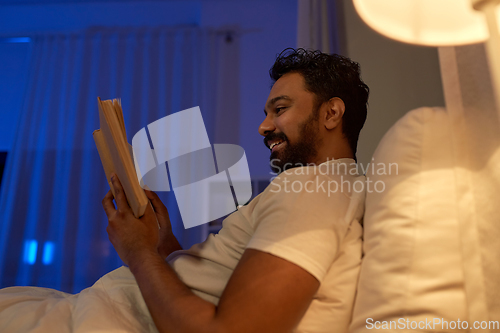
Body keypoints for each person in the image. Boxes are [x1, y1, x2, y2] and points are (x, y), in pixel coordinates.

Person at [102, 48, 369, 333]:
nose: (263, 127)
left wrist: (138, 252)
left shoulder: (313, 189)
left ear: (331, 113)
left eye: (279, 109)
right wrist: (163, 245)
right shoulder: (324, 188)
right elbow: (211, 284)